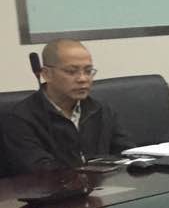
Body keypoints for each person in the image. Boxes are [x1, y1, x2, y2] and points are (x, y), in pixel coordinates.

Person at [2, 39, 134, 174]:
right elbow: (39, 170)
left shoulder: (101, 109)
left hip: (105, 185)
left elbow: (126, 153)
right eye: (71, 72)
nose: (83, 79)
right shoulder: (20, 118)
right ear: (46, 74)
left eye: (88, 71)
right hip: (53, 186)